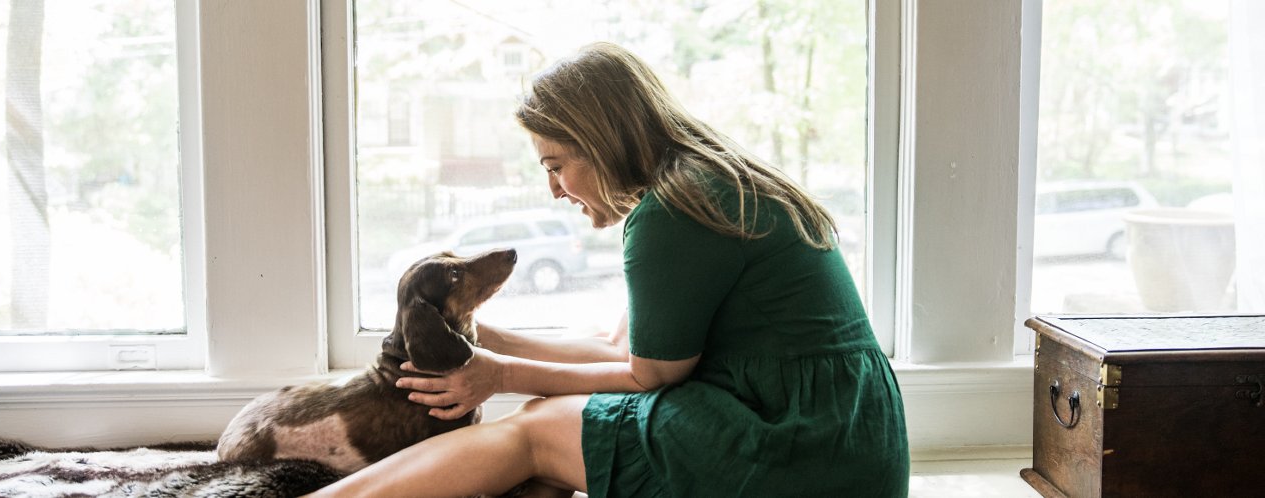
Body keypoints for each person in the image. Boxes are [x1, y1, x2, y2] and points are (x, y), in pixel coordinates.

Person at [308, 41, 909, 498]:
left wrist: (499, 376)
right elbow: (616, 346)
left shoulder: (674, 213)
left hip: (795, 443)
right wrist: (479, 342)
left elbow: (649, 377)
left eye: (556, 164)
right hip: (846, 431)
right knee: (550, 419)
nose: (554, 189)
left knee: (534, 431)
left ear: (599, 141)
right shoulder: (703, 182)